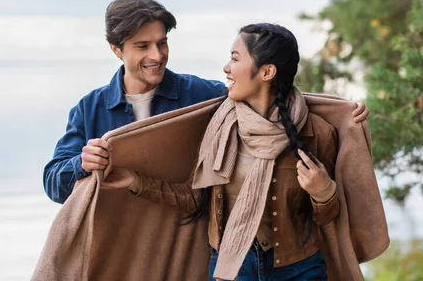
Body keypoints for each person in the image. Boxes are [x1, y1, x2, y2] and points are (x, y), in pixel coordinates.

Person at [43, 0, 368, 205]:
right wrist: (81, 164)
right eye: (142, 47)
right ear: (116, 50)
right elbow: (54, 184)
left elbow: (267, 96)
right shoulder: (90, 109)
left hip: (184, 248)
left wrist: (341, 113)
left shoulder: (201, 96)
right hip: (122, 251)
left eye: (162, 43)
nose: (157, 56)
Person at [102, 23, 361, 280]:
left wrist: (322, 192)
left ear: (267, 72)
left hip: (300, 270)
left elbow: (328, 218)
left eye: (235, 59)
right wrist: (135, 181)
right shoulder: (219, 128)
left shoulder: (317, 133)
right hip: (233, 268)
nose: (226, 68)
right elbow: (194, 199)